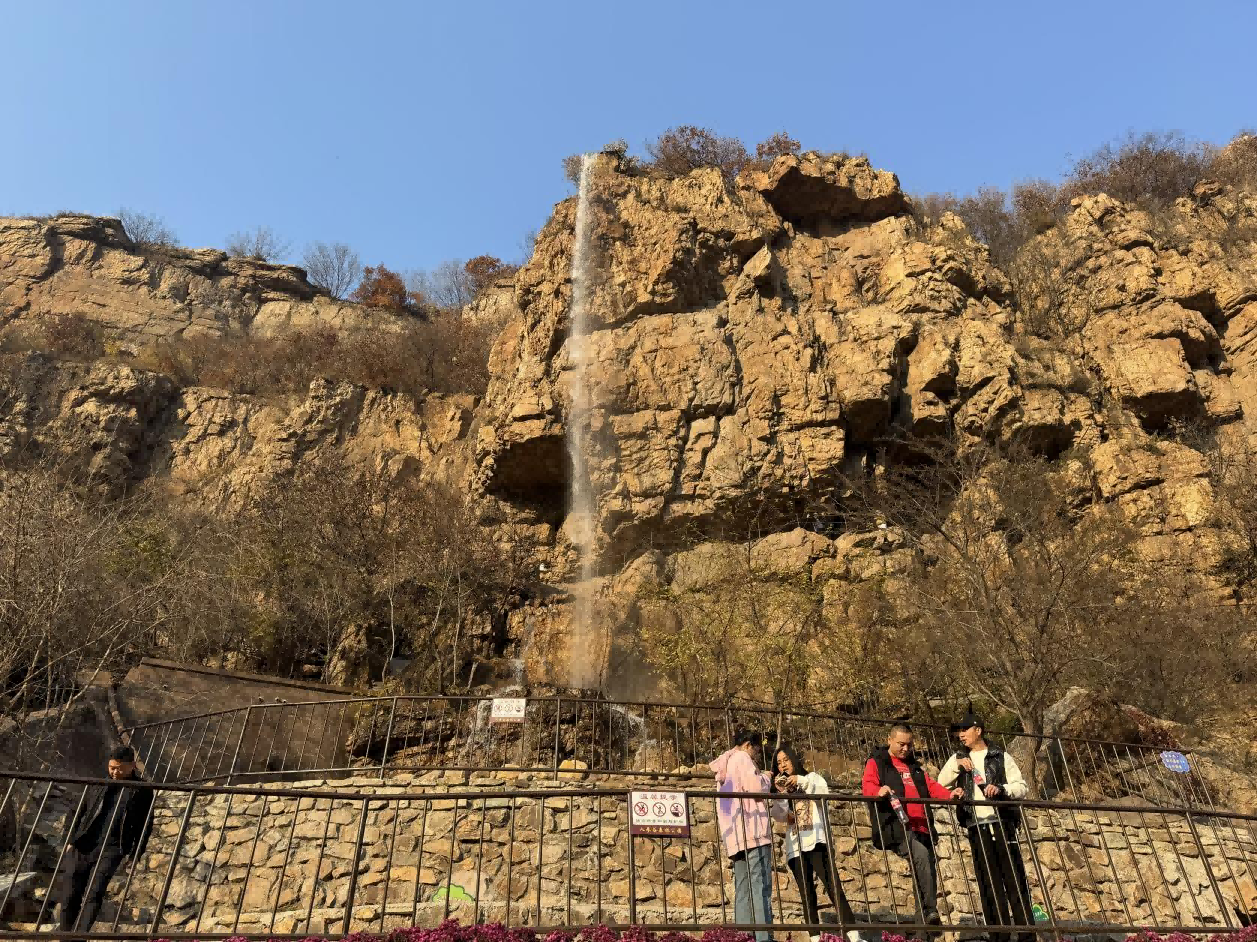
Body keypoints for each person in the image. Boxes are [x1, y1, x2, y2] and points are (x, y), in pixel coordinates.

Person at [937, 714, 1034, 942]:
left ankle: (1027, 935)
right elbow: (940, 784)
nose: (961, 735)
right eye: (958, 731)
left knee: (1015, 880)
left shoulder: (1000, 756)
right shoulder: (957, 758)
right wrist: (956, 768)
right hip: (975, 826)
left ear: (978, 730)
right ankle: (998, 936)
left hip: (1002, 824)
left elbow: (1022, 786)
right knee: (988, 883)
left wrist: (1001, 789)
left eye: (965, 729)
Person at [861, 723, 962, 935]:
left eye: (909, 745)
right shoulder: (877, 761)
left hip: (922, 826)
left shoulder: (914, 766)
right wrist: (879, 791)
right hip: (898, 826)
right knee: (921, 856)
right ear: (889, 740)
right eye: (901, 744)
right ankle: (930, 910)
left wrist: (950, 795)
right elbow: (867, 785)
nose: (905, 749)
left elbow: (931, 787)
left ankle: (922, 934)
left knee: (925, 876)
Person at [57, 745, 154, 936]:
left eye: (119, 768)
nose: (114, 772)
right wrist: (69, 839)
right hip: (83, 844)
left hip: (113, 848)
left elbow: (145, 824)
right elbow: (76, 811)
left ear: (132, 766)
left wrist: (136, 853)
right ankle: (65, 937)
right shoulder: (97, 783)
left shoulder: (142, 790)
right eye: (111, 767)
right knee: (69, 895)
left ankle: (80, 938)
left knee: (94, 894)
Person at [770, 743, 858, 942]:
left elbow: (822, 792)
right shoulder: (785, 790)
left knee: (833, 887)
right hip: (796, 847)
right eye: (779, 763)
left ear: (794, 760)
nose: (783, 765)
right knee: (807, 894)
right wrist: (781, 794)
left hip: (816, 841)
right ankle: (815, 937)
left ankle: (854, 935)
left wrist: (799, 780)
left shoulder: (811, 778)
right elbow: (779, 815)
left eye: (786, 760)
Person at [711, 729, 774, 942]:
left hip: (735, 837)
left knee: (742, 889)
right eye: (756, 750)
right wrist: (765, 778)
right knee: (760, 886)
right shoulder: (742, 758)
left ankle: (743, 938)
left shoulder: (724, 765)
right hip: (753, 831)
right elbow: (756, 788)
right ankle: (763, 938)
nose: (756, 756)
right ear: (748, 745)